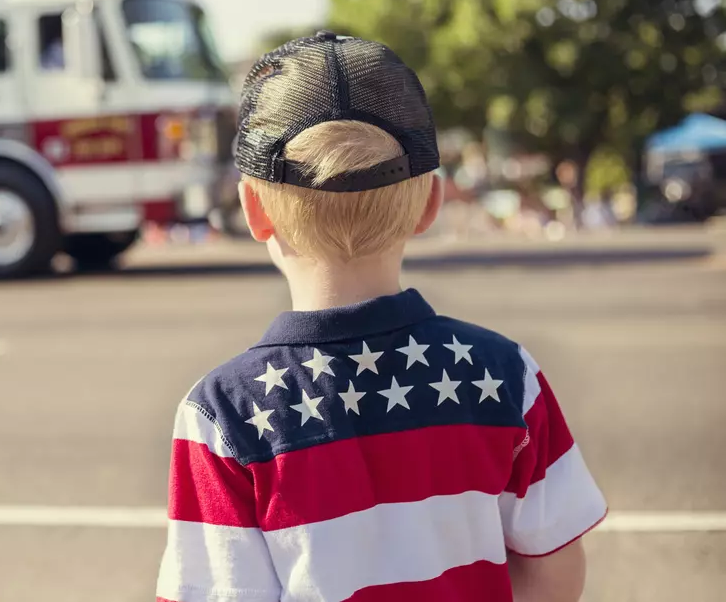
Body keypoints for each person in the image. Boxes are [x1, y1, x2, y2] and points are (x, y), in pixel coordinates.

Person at [156, 32, 607, 602]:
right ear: (430, 204)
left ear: (253, 209)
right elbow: (555, 572)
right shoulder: (505, 374)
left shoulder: (223, 415)